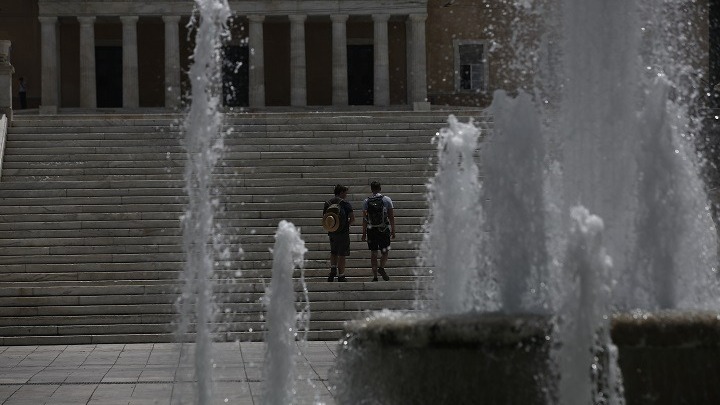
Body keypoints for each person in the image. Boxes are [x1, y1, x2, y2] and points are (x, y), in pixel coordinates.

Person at [361, 181, 395, 281]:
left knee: (374, 253)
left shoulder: (366, 201)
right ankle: (381, 267)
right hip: (383, 229)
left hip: (371, 230)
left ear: (371, 189)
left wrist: (363, 233)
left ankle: (375, 276)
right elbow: (391, 216)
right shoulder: (387, 199)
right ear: (380, 188)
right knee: (385, 252)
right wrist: (393, 230)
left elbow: (364, 219)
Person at [323, 184, 355, 282]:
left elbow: (325, 218)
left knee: (333, 252)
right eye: (345, 193)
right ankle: (341, 275)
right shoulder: (345, 203)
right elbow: (353, 219)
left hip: (332, 231)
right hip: (343, 233)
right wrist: (346, 226)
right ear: (341, 192)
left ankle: (333, 268)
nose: (346, 195)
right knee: (342, 254)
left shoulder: (328, 203)